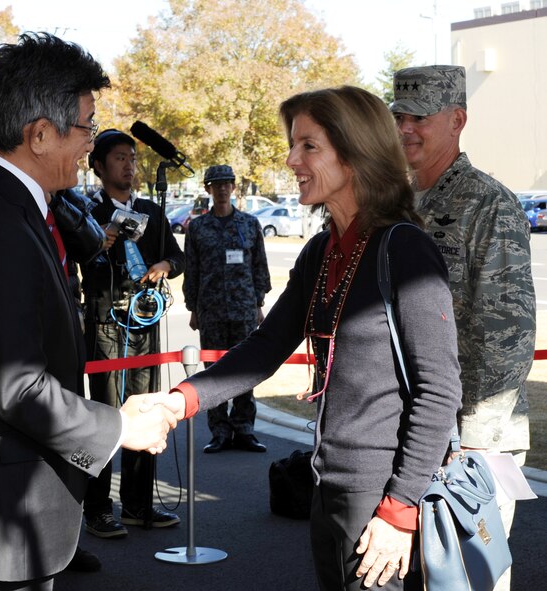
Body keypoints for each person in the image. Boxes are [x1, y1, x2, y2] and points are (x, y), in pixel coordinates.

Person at [143, 86, 464, 590]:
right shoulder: (321, 251)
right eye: (293, 145)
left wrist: (400, 509)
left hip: (384, 497)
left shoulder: (405, 249)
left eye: (308, 146)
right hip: (328, 484)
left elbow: (439, 390)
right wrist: (178, 401)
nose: (292, 160)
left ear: (355, 154)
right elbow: (266, 346)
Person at [0, 32, 176, 591]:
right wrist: (119, 425)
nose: (90, 143)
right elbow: (19, 387)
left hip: (1, 511)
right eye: (86, 126)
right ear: (39, 134)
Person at [391, 65, 536, 591]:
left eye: (420, 118)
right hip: (414, 426)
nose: (406, 128)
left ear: (457, 120)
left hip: (470, 438)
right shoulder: (399, 202)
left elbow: (508, 332)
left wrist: (473, 438)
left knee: (467, 577)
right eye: (399, 117)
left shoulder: (488, 204)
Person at [80, 129, 185, 539]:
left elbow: (177, 256)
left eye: (132, 158)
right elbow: (73, 258)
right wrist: (97, 243)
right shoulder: (86, 211)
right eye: (119, 158)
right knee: (107, 416)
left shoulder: (150, 211)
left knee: (145, 411)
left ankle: (138, 504)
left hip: (145, 323)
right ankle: (97, 509)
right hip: (106, 324)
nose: (129, 165)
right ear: (99, 166)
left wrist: (164, 266)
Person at [184, 164, 271, 454]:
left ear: (233, 187)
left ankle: (244, 429)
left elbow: (259, 266)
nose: (222, 189)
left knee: (245, 370)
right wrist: (193, 308)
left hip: (244, 309)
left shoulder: (249, 224)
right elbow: (192, 271)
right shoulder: (198, 227)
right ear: (208, 189)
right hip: (211, 311)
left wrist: (258, 304)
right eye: (216, 184)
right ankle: (219, 431)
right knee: (214, 372)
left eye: (226, 183)